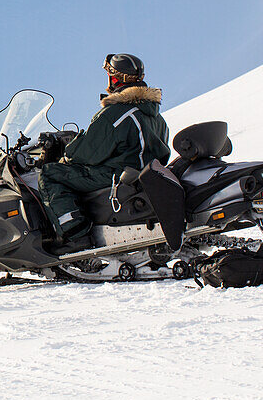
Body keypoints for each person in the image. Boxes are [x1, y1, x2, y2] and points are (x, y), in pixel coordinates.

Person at [38, 53, 170, 253]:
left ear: (115, 78)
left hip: (115, 174)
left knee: (50, 174)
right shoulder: (156, 117)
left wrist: (66, 148)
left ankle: (75, 235)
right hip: (145, 175)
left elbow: (86, 153)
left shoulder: (116, 113)